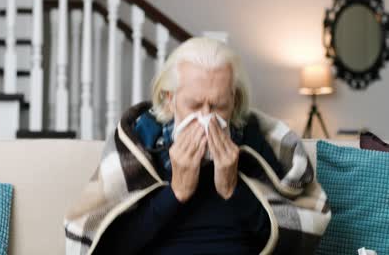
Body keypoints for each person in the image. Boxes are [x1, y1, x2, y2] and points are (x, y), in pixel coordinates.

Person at [65, 37, 331, 255]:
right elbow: (108, 246)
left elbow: (289, 243)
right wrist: (175, 193)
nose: (205, 117)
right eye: (194, 105)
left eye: (217, 106)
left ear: (234, 101)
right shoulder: (141, 143)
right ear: (170, 100)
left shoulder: (251, 140)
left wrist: (232, 189)